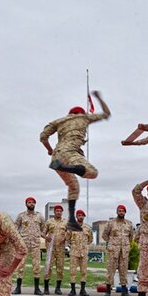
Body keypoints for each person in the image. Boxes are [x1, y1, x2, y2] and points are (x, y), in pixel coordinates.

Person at [40, 91, 111, 231]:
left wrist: (49, 150)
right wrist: (99, 98)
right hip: (70, 153)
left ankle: (71, 220)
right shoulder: (84, 117)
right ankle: (65, 167)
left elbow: (43, 136)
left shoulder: (59, 121)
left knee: (73, 187)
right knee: (92, 172)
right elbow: (106, 113)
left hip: (56, 156)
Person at [13, 197, 46, 295]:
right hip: (24, 244)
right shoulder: (21, 216)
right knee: (20, 266)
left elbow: (43, 228)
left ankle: (37, 289)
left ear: (35, 204)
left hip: (35, 244)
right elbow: (15, 227)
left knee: (36, 266)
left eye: (32, 202)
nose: (31, 204)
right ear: (26, 204)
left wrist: (45, 236)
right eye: (29, 202)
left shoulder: (39, 216)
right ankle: (18, 288)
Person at [102, 205, 134, 296]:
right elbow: (104, 235)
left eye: (123, 211)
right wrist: (112, 242)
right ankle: (108, 290)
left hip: (124, 251)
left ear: (125, 212)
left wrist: (126, 245)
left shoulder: (129, 224)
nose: (121, 212)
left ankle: (124, 291)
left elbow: (131, 236)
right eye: (119, 211)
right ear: (117, 212)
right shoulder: (111, 223)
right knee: (110, 270)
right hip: (113, 251)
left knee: (123, 270)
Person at [64, 209, 93, 296]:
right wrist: (73, 246)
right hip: (74, 252)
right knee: (72, 271)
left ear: (84, 217)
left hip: (84, 253)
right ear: (76, 217)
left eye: (82, 215)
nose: (80, 217)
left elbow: (90, 239)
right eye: (79, 215)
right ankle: (73, 290)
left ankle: (82, 290)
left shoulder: (87, 228)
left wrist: (84, 246)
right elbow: (67, 238)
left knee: (83, 271)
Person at [43, 205, 68, 295]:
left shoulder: (65, 222)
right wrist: (46, 237)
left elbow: (69, 233)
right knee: (48, 267)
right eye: (57, 211)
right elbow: (42, 233)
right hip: (51, 248)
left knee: (60, 268)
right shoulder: (49, 221)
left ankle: (58, 288)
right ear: (54, 212)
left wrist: (65, 238)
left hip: (60, 248)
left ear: (62, 212)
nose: (58, 212)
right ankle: (46, 288)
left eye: (60, 211)